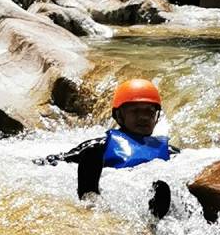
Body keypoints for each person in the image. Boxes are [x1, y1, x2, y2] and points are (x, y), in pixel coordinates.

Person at [38, 78, 178, 218]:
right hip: (115, 193)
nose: (143, 117)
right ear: (118, 115)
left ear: (157, 116)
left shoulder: (171, 152)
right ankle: (91, 199)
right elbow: (58, 161)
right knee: (91, 155)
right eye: (135, 111)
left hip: (147, 196)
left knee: (163, 188)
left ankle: (153, 219)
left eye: (149, 111)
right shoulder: (98, 147)